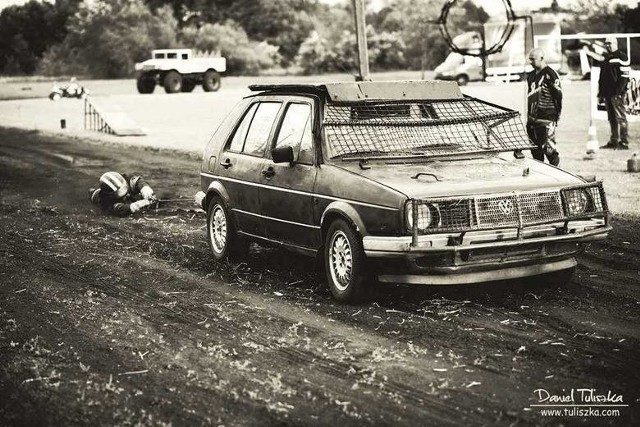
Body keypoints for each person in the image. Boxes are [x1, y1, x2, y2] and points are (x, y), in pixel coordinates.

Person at [586, 37, 629, 149]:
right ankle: (614, 141)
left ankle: (624, 143)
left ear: (615, 43)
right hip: (607, 93)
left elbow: (625, 76)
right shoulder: (606, 57)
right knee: (612, 118)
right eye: (606, 44)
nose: (607, 45)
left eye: (609, 43)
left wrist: (618, 91)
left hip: (617, 93)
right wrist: (601, 93)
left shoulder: (622, 56)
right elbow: (603, 76)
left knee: (620, 118)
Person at [526, 47, 562, 166]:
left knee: (548, 148)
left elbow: (558, 96)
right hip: (532, 119)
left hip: (546, 117)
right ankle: (540, 175)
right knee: (535, 150)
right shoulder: (530, 75)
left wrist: (556, 116)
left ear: (542, 58)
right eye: (529, 59)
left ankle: (556, 173)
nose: (530, 62)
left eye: (533, 59)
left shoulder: (550, 74)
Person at [89, 171, 156, 216]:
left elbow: (138, 181)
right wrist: (140, 204)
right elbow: (121, 209)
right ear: (112, 196)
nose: (127, 194)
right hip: (98, 197)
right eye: (121, 194)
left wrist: (145, 188)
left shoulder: (125, 178)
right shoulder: (107, 202)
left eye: (125, 189)